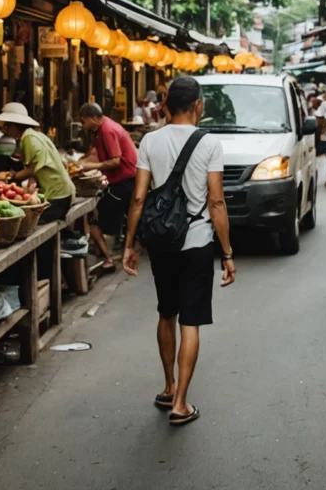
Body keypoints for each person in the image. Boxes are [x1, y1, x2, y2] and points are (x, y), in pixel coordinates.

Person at [122, 76, 235, 427]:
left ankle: (169, 386)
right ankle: (181, 403)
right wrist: (228, 252)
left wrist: (129, 244)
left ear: (167, 104)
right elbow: (216, 201)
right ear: (198, 105)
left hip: (162, 243)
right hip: (197, 242)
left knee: (166, 312)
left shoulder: (150, 140)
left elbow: (139, 197)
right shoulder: (210, 143)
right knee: (191, 321)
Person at [0, 103, 74, 223]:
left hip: (57, 199)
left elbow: (31, 170)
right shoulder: (36, 135)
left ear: (14, 125)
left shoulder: (29, 138)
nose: (4, 130)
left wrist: (9, 178)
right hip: (63, 195)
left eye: (6, 126)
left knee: (22, 220)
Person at [78, 102, 138, 272]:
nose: (83, 125)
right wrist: (80, 163)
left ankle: (108, 259)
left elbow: (115, 161)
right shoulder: (100, 130)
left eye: (84, 121)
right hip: (122, 180)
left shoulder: (107, 130)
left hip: (123, 181)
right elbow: (94, 154)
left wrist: (89, 167)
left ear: (95, 118)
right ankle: (108, 250)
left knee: (94, 223)